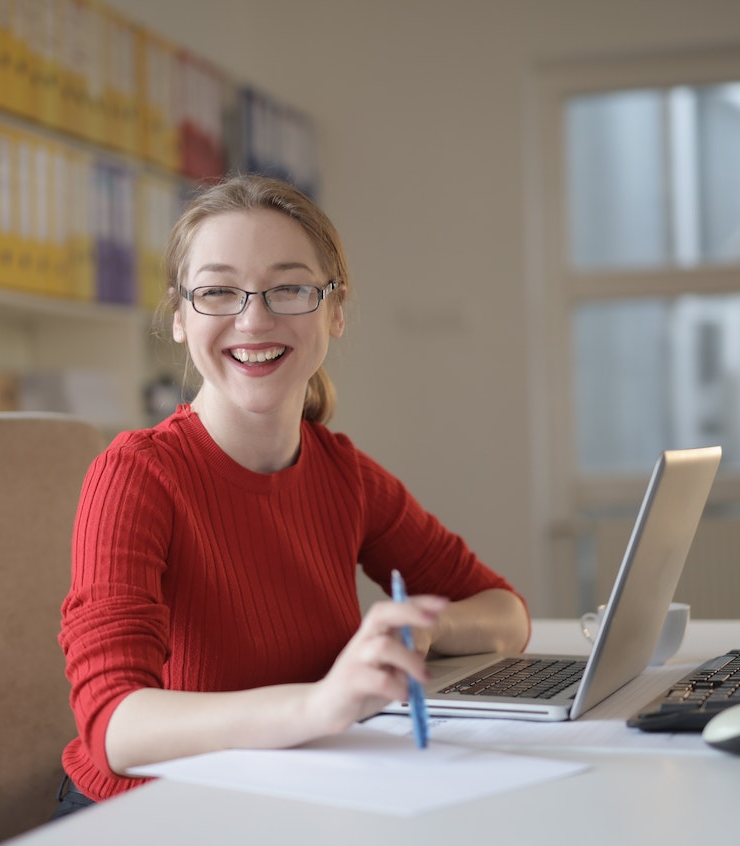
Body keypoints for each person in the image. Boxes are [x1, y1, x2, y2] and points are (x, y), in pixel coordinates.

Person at [56, 174, 531, 812]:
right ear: (178, 317)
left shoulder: (345, 474)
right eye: (218, 291)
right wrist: (321, 704)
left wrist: (423, 628)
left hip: (290, 795)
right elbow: (114, 728)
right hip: (153, 812)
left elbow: (507, 614)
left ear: (334, 311)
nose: (254, 318)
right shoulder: (137, 476)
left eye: (288, 289)